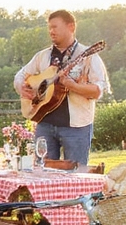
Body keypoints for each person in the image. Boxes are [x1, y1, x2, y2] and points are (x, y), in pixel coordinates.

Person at [13, 10, 109, 169]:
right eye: (49, 28)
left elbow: (98, 90)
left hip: (77, 128)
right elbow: (21, 74)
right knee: (42, 174)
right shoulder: (43, 56)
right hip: (44, 124)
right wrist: (21, 88)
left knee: (76, 175)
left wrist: (73, 86)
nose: (51, 31)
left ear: (71, 27)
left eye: (55, 27)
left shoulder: (88, 56)